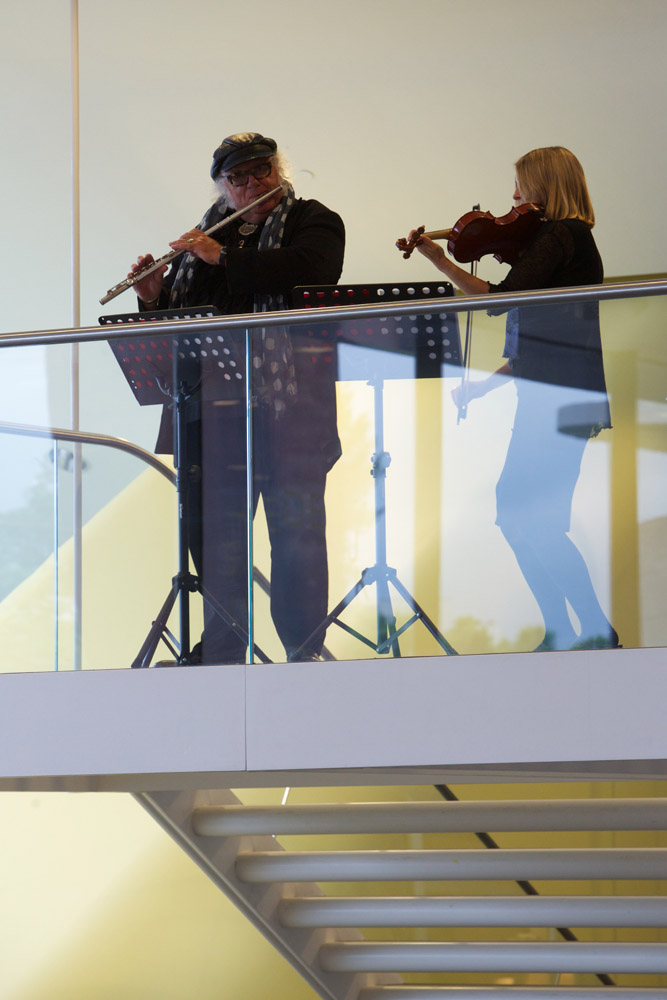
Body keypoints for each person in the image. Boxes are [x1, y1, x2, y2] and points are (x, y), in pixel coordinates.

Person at [131, 132, 345, 664]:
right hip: (215, 417)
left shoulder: (313, 220)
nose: (253, 185)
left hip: (290, 413)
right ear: (222, 186)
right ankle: (222, 654)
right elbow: (186, 329)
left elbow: (312, 272)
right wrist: (155, 298)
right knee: (218, 544)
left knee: (296, 538)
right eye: (239, 178)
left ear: (279, 169)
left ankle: (304, 651)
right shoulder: (205, 235)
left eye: (262, 171)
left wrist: (222, 256)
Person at [406, 146, 619, 651]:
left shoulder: (565, 235)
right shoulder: (548, 244)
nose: (513, 198)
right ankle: (566, 629)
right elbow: (532, 348)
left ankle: (590, 630)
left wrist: (442, 262)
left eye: (521, 186)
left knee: (528, 516)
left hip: (562, 399)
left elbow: (503, 301)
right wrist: (482, 388)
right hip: (553, 395)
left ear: (546, 184)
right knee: (517, 514)